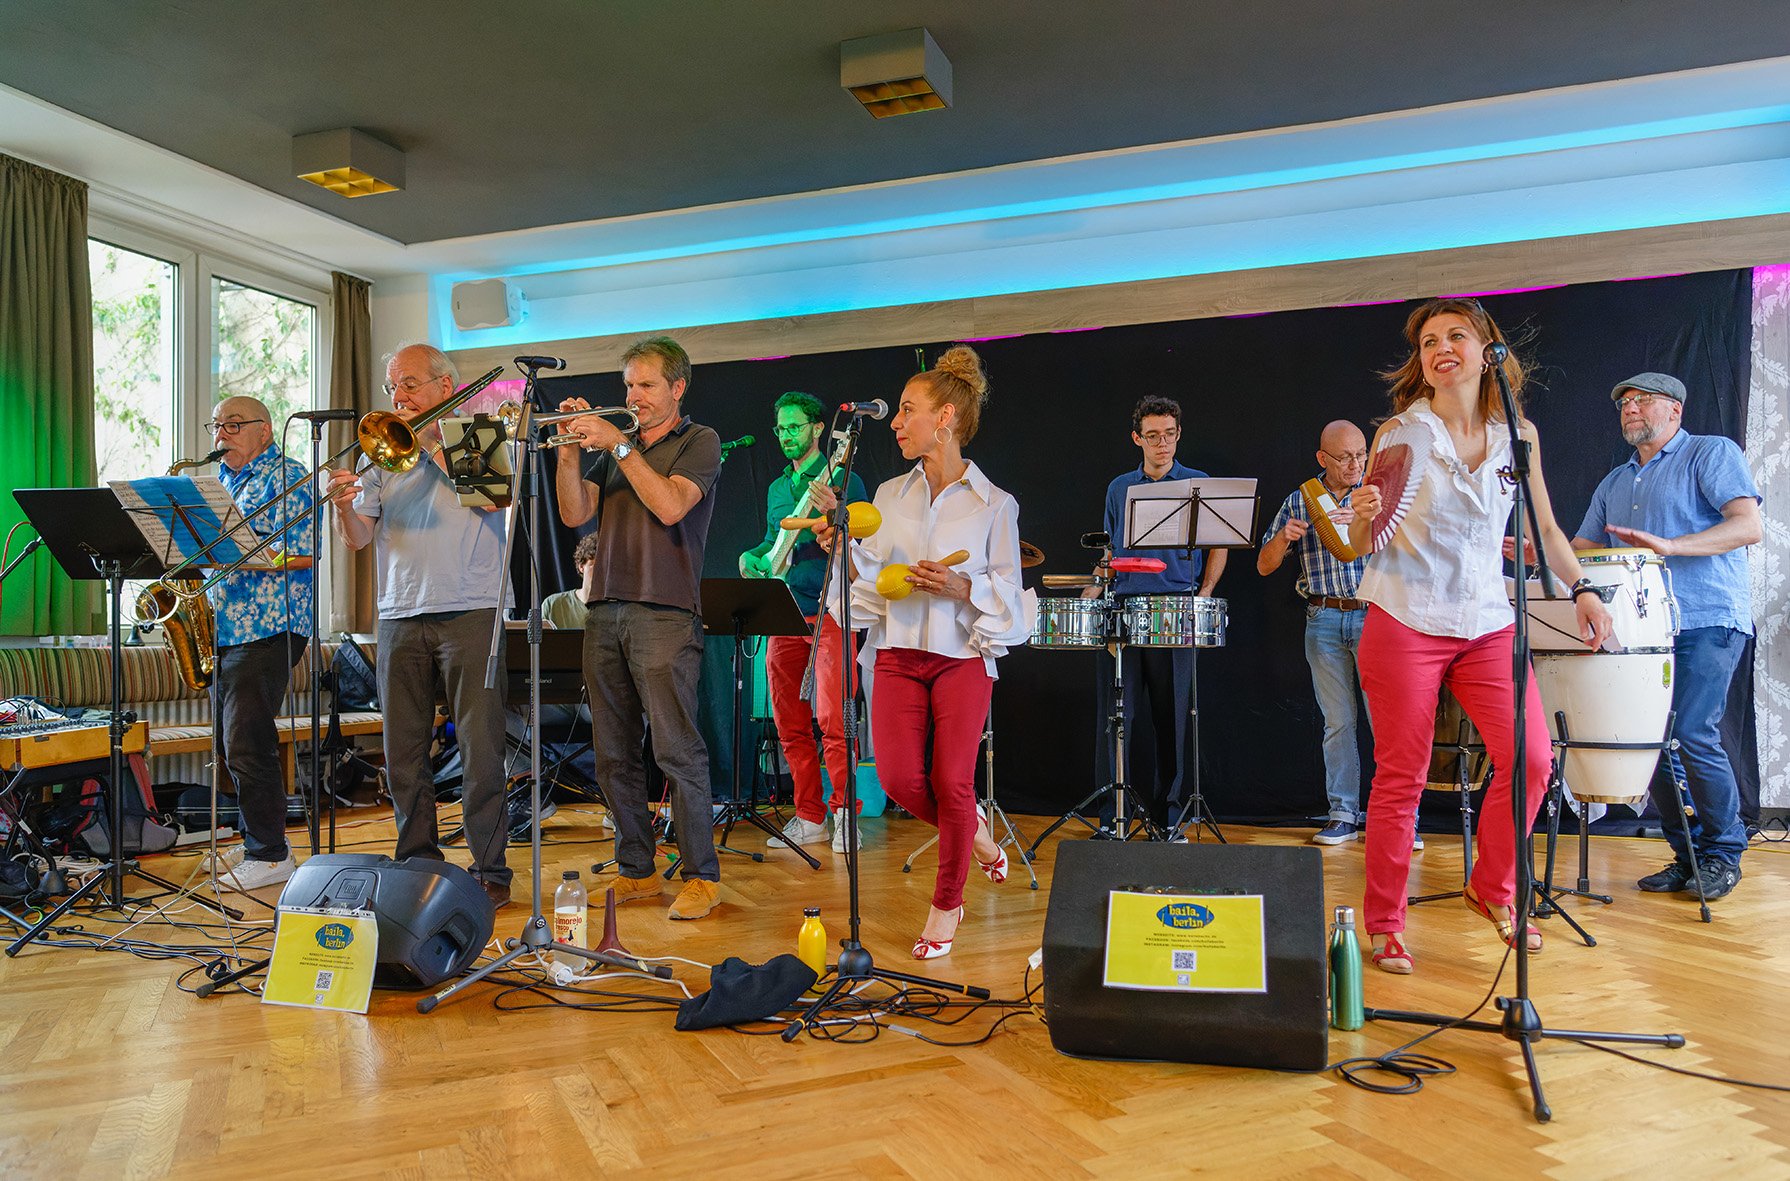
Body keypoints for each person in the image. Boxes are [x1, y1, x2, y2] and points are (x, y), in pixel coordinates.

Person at [1348, 298, 1612, 973]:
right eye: (1429, 340)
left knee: (1531, 760)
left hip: (1487, 620)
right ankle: (1385, 922)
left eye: (1455, 335)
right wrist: (1359, 515)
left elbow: (1546, 527)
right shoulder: (1400, 435)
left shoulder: (1517, 435)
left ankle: (1491, 886)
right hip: (1405, 617)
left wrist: (1582, 588)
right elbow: (1363, 541)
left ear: (1486, 347)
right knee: (1400, 777)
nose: (1441, 348)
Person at [812, 344, 1033, 959]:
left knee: (951, 783)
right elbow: (870, 579)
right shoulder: (887, 495)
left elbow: (1011, 595)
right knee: (901, 779)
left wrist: (966, 586)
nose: (895, 421)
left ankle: (947, 904)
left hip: (962, 657)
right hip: (898, 655)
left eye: (907, 410)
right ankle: (979, 837)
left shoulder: (996, 505)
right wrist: (844, 543)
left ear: (947, 419)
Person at [325, 344, 513, 909]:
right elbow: (359, 538)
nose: (398, 397)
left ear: (445, 385)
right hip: (399, 612)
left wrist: (432, 445)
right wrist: (342, 505)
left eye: (408, 384)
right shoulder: (377, 454)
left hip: (471, 607)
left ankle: (490, 869)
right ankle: (417, 862)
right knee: (403, 750)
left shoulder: (480, 436)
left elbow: (494, 500)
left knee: (481, 750)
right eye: (391, 388)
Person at [553, 336, 724, 921]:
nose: (634, 395)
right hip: (604, 609)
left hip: (664, 612)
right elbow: (575, 514)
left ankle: (702, 874)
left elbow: (672, 506)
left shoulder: (700, 441)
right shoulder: (615, 452)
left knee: (676, 749)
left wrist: (620, 443)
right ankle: (637, 869)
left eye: (646, 385)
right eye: (628, 385)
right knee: (612, 753)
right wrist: (571, 452)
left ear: (677, 388)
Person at [1573, 372, 1761, 901]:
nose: (1630, 408)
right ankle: (1688, 856)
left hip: (1707, 618)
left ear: (1675, 410)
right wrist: (1544, 557)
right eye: (1624, 403)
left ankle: (1724, 852)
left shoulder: (1710, 452)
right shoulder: (1615, 481)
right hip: (1644, 630)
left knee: (1693, 730)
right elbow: (1583, 548)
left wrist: (1671, 547)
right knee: (1652, 741)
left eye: (1642, 400)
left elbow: (1748, 526)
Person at [1258, 420, 1398, 847]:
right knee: (1338, 723)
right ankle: (1343, 813)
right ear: (1322, 459)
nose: (1356, 464)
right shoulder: (1302, 500)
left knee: (1387, 722)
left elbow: (1414, 551)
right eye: (1345, 457)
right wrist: (1284, 537)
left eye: (1361, 454)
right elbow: (1264, 565)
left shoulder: (1380, 492)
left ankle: (1395, 819)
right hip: (1323, 618)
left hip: (1377, 615)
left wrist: (1365, 521)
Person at [738, 391, 867, 854]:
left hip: (831, 609)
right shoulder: (777, 489)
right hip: (785, 611)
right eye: (780, 428)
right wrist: (750, 557)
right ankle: (809, 815)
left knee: (834, 719)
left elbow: (864, 540)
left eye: (794, 426)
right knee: (788, 720)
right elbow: (774, 543)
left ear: (817, 428)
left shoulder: (845, 476)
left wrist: (834, 509)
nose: (786, 436)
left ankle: (844, 815)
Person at [1096, 396, 1226, 831]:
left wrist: (1204, 592)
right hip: (1127, 609)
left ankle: (1170, 815)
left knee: (1173, 719)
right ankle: (1114, 815)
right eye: (1152, 436)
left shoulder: (1198, 483)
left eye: (1169, 434)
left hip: (1176, 610)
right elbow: (1112, 549)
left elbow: (1219, 542)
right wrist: (1093, 586)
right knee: (1120, 716)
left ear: (1178, 434)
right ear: (1138, 438)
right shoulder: (1119, 487)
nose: (1162, 443)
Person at [204, 396, 313, 892]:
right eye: (216, 425)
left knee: (248, 742)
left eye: (233, 424)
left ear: (265, 431)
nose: (221, 433)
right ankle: (256, 841)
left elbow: (301, 554)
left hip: (269, 624)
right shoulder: (219, 484)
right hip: (224, 628)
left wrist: (233, 549)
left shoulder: (285, 477)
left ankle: (270, 855)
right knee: (231, 744)